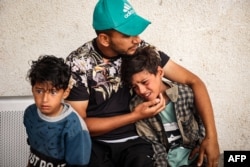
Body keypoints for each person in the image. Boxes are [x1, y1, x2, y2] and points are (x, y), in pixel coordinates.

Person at [65, 0, 219, 166]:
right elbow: (79, 125)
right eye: (127, 35)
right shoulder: (79, 63)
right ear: (104, 39)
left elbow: (194, 82)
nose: (137, 40)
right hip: (95, 142)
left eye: (136, 33)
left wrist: (211, 138)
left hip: (138, 142)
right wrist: (134, 116)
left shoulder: (140, 50)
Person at [121, 45, 207, 167]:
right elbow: (153, 144)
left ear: (160, 72)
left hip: (195, 157)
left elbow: (202, 121)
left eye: (145, 82)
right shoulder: (137, 106)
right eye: (135, 86)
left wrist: (202, 145)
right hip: (166, 162)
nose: (141, 90)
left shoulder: (184, 93)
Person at [24, 55, 91, 167]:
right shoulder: (30, 114)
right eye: (39, 91)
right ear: (32, 89)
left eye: (53, 92)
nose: (44, 100)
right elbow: (34, 152)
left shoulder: (74, 127)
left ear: (65, 93)